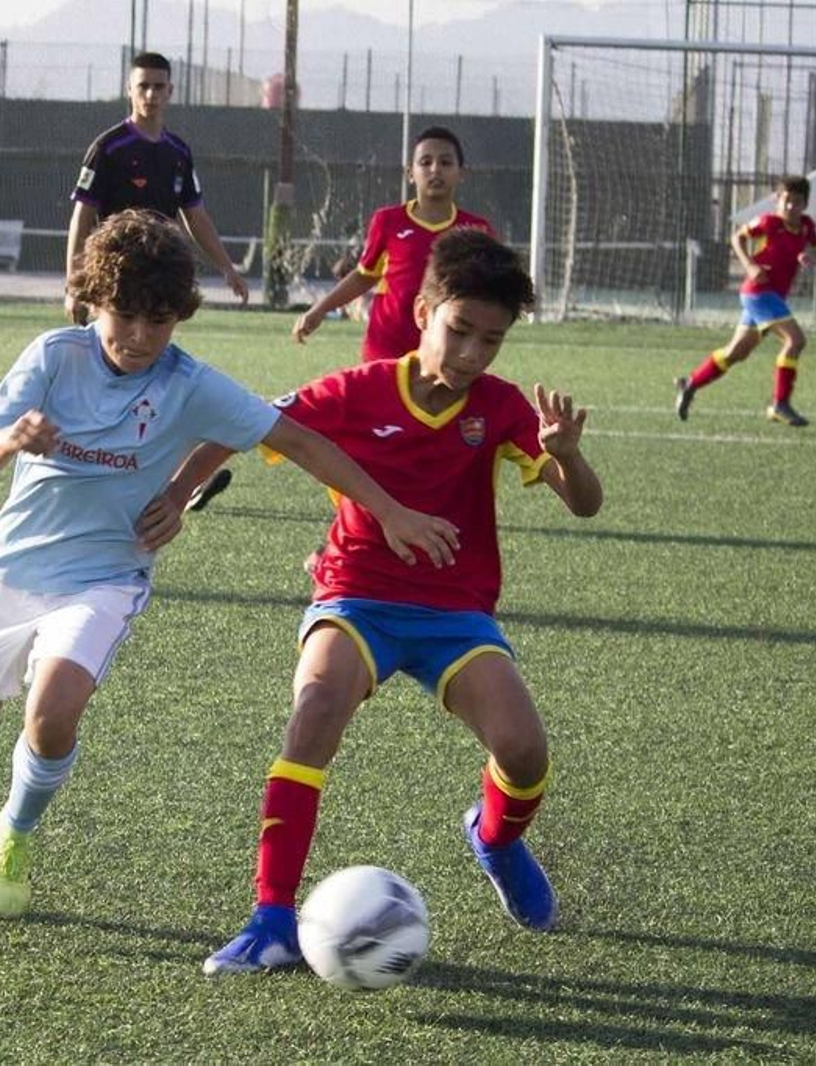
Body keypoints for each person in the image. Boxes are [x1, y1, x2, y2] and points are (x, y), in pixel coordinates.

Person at [0, 209, 459, 920]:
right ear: (94, 300)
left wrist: (387, 510)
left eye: (160, 320)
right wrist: (13, 438)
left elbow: (298, 440)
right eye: (127, 316)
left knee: (52, 715)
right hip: (11, 574)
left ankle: (13, 832)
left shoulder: (188, 383)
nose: (140, 336)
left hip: (106, 577)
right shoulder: (54, 357)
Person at [189, 229, 604, 976]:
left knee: (524, 751)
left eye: (491, 340)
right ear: (421, 313)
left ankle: (495, 840)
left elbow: (585, 505)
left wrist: (568, 457)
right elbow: (242, 422)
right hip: (357, 596)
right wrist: (172, 496)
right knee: (314, 709)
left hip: (455, 612)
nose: (472, 354)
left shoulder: (502, 407)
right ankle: (272, 917)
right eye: (459, 330)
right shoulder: (358, 391)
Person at [64, 52, 249, 328]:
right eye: (143, 86)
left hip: (162, 272)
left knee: (153, 346)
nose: (151, 94)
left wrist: (227, 268)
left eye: (159, 87)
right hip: (116, 269)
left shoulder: (178, 152)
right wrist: (73, 284)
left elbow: (196, 216)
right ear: (129, 89)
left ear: (170, 91)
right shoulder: (108, 148)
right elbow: (82, 215)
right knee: (116, 345)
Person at [292, 127, 494, 361]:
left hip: (446, 353)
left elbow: (491, 286)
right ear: (410, 173)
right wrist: (319, 310)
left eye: (446, 162)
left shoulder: (477, 230)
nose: (435, 169)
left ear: (461, 173)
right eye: (425, 162)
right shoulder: (387, 221)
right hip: (386, 349)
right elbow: (364, 276)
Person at [674, 174, 816, 427]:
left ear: (805, 204)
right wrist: (749, 266)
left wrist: (811, 255)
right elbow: (737, 238)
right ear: (778, 200)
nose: (791, 206)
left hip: (774, 297)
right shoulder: (769, 222)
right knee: (795, 340)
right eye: (787, 200)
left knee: (736, 352)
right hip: (759, 292)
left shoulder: (807, 225)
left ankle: (690, 384)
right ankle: (779, 404)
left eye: (798, 201)